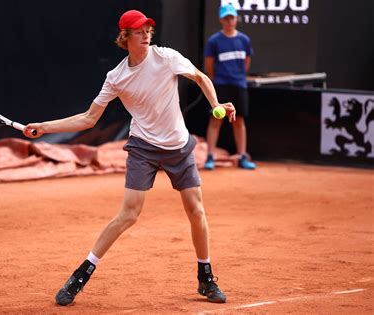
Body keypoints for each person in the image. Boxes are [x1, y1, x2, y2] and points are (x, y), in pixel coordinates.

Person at [23, 10, 235, 306]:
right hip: (143, 148)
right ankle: (80, 276)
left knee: (196, 210)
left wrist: (216, 104)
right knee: (128, 215)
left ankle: (206, 278)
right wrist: (45, 127)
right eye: (139, 31)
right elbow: (88, 118)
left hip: (178, 146)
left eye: (148, 30)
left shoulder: (166, 57)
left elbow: (200, 77)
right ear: (125, 37)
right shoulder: (117, 77)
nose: (146, 35)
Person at [203, 4, 256, 170]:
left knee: (239, 122)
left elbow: (246, 63)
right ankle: (210, 157)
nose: (229, 21)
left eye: (231, 17)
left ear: (236, 19)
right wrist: (217, 79)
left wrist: (238, 76)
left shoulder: (244, 40)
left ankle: (241, 157)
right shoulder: (214, 41)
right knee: (216, 121)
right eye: (226, 18)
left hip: (239, 85)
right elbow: (209, 65)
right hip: (221, 85)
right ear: (221, 20)